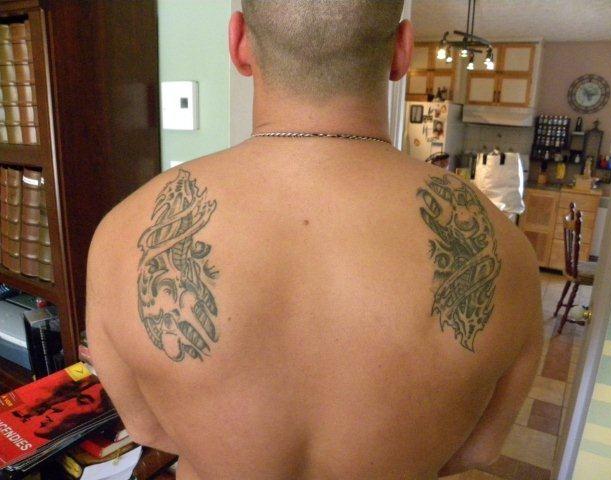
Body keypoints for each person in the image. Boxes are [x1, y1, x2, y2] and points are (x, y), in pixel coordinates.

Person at [87, 1, 543, 478]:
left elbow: (146, 428)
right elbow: (478, 450)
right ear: (402, 51)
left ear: (239, 44)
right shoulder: (505, 250)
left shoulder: (123, 234)